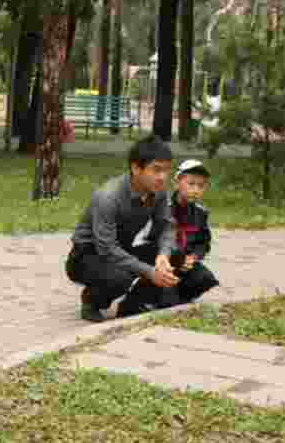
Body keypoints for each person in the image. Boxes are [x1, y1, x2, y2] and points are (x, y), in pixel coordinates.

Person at [65, 135, 180, 322]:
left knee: (176, 255)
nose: (163, 177)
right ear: (136, 168)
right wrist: (149, 271)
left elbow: (167, 226)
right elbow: (107, 249)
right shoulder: (108, 197)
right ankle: (91, 301)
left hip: (121, 249)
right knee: (120, 278)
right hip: (88, 256)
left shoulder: (158, 192)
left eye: (166, 170)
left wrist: (163, 256)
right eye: (156, 170)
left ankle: (143, 299)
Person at [152, 159, 220, 308]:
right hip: (162, 263)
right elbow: (152, 240)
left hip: (185, 264)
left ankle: (177, 298)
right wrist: (173, 259)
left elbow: (203, 243)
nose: (196, 190)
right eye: (191, 184)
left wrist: (193, 257)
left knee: (206, 278)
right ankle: (160, 297)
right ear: (177, 183)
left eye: (201, 186)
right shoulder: (161, 207)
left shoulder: (201, 213)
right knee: (167, 301)